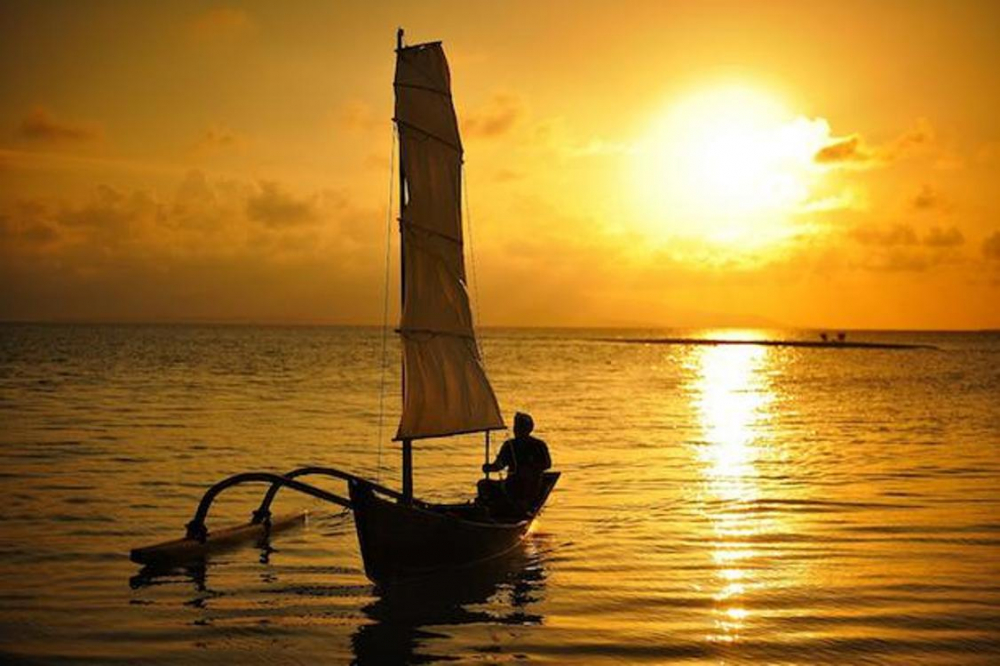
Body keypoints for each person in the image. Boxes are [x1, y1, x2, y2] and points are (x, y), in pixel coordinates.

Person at [479, 412, 552, 516]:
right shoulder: (509, 445)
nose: (517, 430)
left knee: (522, 490)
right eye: (516, 426)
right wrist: (489, 468)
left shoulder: (538, 445)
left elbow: (547, 464)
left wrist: (529, 469)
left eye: (520, 427)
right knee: (483, 485)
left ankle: (522, 508)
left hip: (530, 487)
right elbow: (500, 464)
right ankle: (488, 510)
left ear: (528, 429)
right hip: (510, 485)